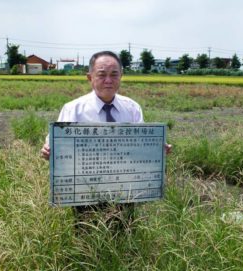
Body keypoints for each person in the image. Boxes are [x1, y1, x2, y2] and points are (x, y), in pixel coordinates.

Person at [40, 50, 171, 230]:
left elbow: (142, 143)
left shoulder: (132, 108)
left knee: (124, 233)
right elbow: (54, 142)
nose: (108, 80)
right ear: (90, 77)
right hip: (86, 191)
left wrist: (157, 150)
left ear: (121, 76)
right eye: (102, 75)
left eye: (114, 75)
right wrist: (48, 149)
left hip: (124, 189)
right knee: (87, 236)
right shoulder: (73, 109)